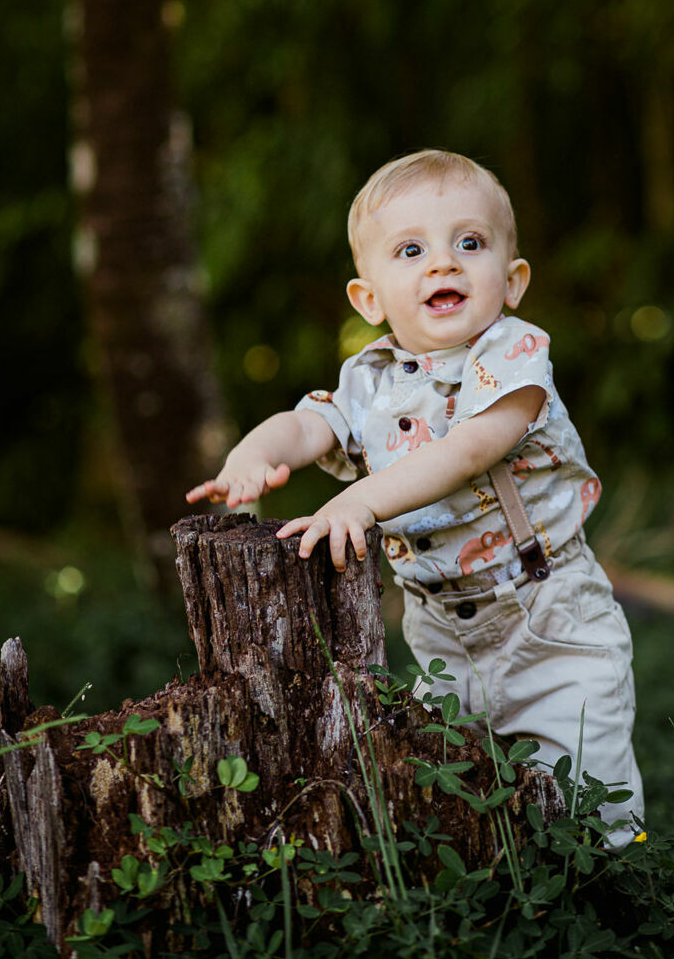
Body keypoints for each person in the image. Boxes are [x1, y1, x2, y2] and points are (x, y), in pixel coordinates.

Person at [187, 149, 644, 838]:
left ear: (512, 280)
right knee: (464, 794)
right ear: (369, 299)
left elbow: (466, 451)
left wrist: (360, 501)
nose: (443, 264)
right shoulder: (370, 378)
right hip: (439, 630)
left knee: (587, 791)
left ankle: (614, 881)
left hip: (550, 616)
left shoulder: (514, 356)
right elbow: (309, 424)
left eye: (470, 243)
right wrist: (253, 453)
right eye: (411, 250)